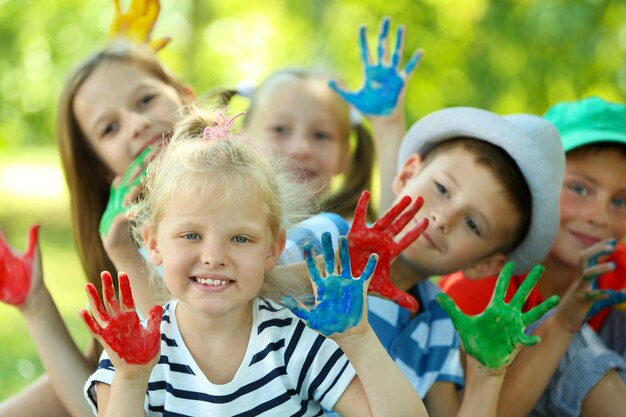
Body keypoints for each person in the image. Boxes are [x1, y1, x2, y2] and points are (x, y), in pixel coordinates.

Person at [80, 107, 429, 416]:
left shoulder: (291, 341)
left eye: (240, 239)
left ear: (273, 249)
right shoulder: (135, 351)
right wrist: (131, 378)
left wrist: (359, 340)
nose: (214, 257)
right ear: (154, 243)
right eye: (191, 235)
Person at [281, 106, 566, 416]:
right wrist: (328, 267)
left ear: (485, 265)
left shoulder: (437, 322)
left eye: (473, 225)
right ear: (407, 175)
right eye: (442, 189)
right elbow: (243, 285)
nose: (442, 218)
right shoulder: (328, 235)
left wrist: (487, 376)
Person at [0, 4, 193, 414]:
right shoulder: (130, 253)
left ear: (186, 96)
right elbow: (95, 405)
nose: (135, 124)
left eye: (144, 99)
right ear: (103, 171)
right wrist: (34, 304)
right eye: (109, 128)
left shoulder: (249, 189)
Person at [439, 96, 626, 417]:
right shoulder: (484, 276)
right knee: (564, 336)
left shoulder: (615, 269)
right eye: (580, 189)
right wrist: (565, 321)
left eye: (621, 202)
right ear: (533, 190)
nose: (600, 216)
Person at [214, 17, 422, 219]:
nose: (300, 148)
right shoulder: (214, 215)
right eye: (280, 129)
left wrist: (387, 127)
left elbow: (391, 236)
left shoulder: (342, 236)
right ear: (243, 139)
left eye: (321, 135)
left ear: (344, 157)